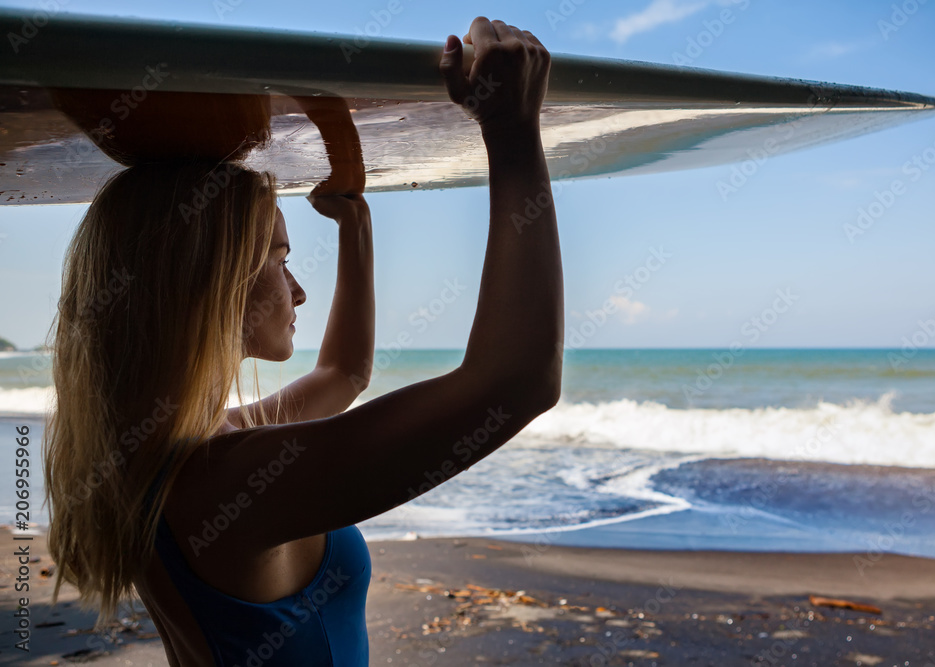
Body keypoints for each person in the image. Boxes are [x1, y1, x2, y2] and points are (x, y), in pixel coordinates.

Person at [41, 16, 561, 666]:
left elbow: (344, 373)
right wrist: (512, 134)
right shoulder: (228, 481)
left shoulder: (167, 453)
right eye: (280, 259)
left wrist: (355, 224)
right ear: (215, 289)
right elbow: (516, 381)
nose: (298, 290)